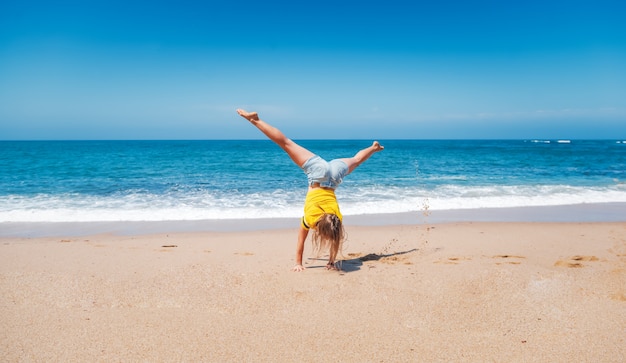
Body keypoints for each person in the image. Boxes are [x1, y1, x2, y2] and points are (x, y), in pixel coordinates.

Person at [236, 109, 384, 271]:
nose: (327, 238)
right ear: (320, 229)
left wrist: (330, 262)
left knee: (355, 160)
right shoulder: (310, 219)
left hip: (333, 175)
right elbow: (301, 241)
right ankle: (256, 120)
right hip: (317, 174)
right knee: (285, 144)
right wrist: (299, 263)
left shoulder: (336, 219)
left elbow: (334, 240)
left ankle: (373, 147)